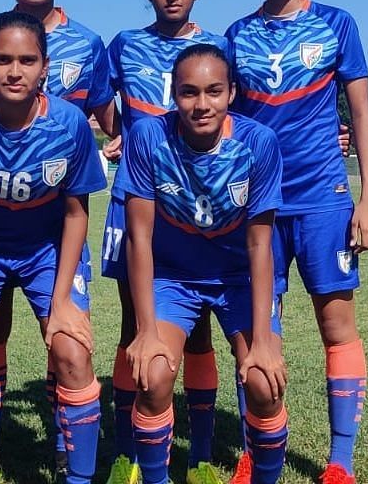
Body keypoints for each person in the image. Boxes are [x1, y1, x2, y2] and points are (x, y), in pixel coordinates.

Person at [0, 0, 118, 483]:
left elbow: (107, 114)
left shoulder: (88, 47)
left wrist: (136, 138)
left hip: (51, 225)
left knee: (69, 343)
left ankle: (71, 449)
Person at [225, 0, 368, 484]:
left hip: (324, 199)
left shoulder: (338, 25)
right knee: (258, 331)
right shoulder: (237, 36)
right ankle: (253, 449)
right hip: (258, 207)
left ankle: (339, 461)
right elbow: (226, 120)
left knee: (336, 325)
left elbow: (360, 112)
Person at [119, 44, 289, 484]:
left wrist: (265, 341)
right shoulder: (148, 138)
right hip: (173, 277)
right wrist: (145, 330)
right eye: (188, 92)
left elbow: (260, 245)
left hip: (239, 277)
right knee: (153, 376)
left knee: (263, 383)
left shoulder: (257, 143)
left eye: (214, 91)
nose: (201, 104)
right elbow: (139, 238)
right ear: (173, 94)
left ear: (231, 92)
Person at [103, 0, 229, 484]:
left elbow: (234, 124)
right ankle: (129, 452)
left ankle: (199, 455)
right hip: (137, 199)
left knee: (197, 327)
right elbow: (103, 107)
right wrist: (121, 140)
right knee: (137, 324)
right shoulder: (124, 44)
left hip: (200, 205)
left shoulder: (219, 47)